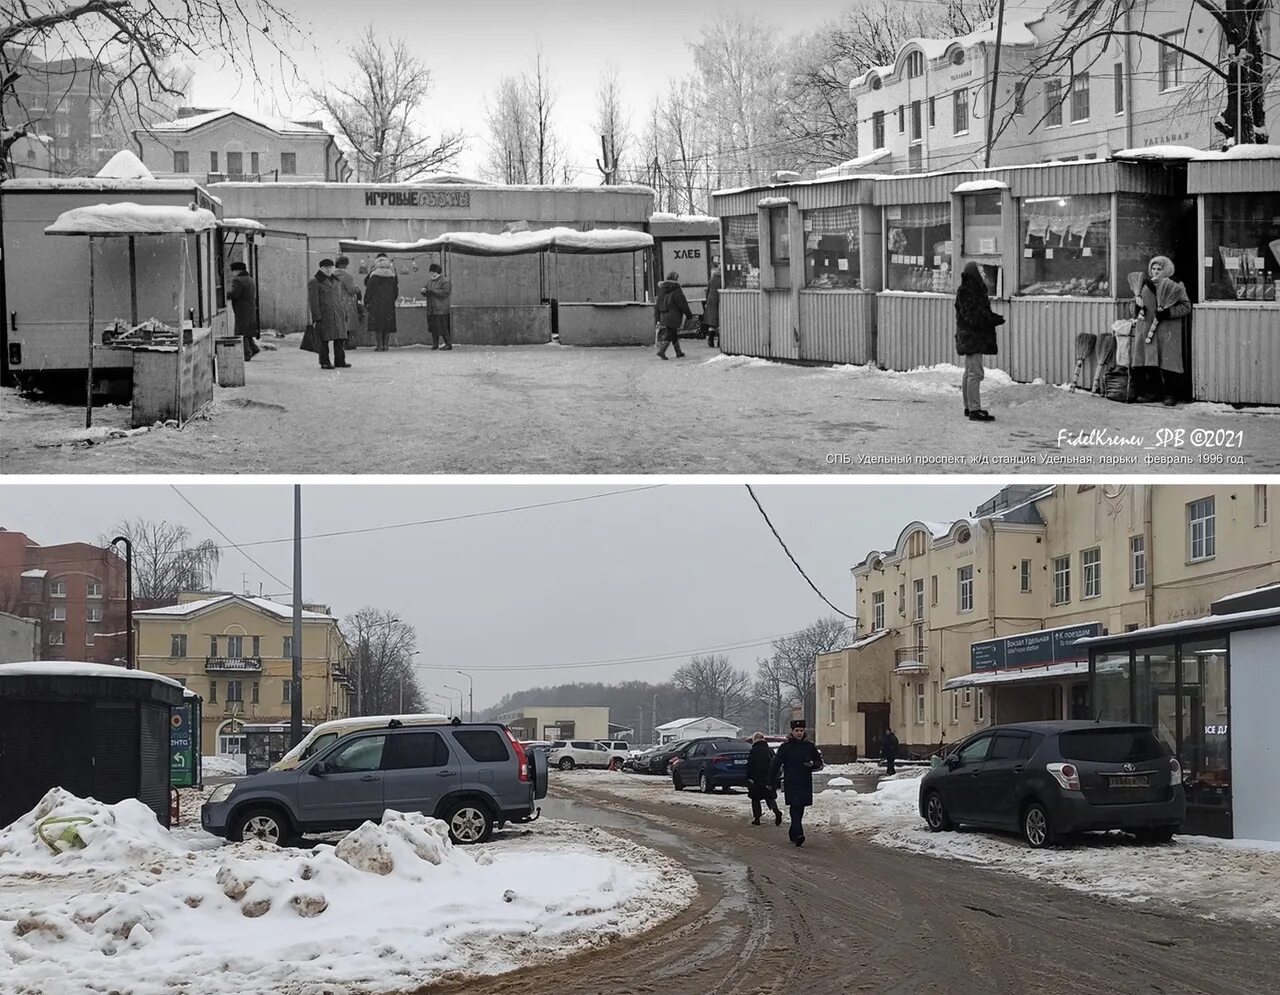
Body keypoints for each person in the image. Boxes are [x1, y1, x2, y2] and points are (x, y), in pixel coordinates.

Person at [1130, 255, 1192, 406]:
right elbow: (1133, 306)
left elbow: (1186, 306)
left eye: (1159, 269)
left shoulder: (1175, 285)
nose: (1155, 272)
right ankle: (1152, 392)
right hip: (1147, 328)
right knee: (1149, 361)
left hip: (1167, 330)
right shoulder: (1144, 284)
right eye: (1153, 268)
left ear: (1166, 270)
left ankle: (1170, 394)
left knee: (1168, 363)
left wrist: (1168, 313)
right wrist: (1137, 308)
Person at [954, 261, 1004, 422]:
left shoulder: (969, 290)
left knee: (970, 372)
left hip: (970, 337)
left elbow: (974, 314)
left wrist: (990, 318)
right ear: (974, 273)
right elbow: (974, 317)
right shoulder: (970, 291)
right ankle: (974, 409)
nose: (983, 274)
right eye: (980, 271)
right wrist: (992, 319)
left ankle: (969, 407)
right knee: (976, 373)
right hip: (973, 338)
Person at [769, 718, 824, 847]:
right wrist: (770, 780)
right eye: (797, 730)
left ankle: (793, 833)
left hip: (805, 782)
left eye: (801, 730)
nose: (799, 733)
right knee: (795, 806)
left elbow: (819, 762)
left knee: (800, 808)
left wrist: (812, 764)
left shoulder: (809, 746)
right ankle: (799, 834)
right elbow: (776, 764)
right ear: (792, 731)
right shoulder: (786, 747)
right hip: (791, 782)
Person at [307, 258, 348, 370]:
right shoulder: (315, 281)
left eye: (330, 267)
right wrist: (317, 317)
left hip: (338, 314)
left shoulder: (336, 280)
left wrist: (344, 312)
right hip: (325, 315)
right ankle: (325, 362)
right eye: (326, 268)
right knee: (323, 340)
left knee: (340, 338)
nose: (329, 270)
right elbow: (313, 301)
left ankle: (340, 361)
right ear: (321, 268)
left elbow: (339, 298)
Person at [363, 253, 399, 352]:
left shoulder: (374, 275)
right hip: (389, 303)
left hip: (376, 303)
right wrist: (391, 299)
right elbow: (396, 290)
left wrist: (366, 301)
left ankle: (379, 346)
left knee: (378, 324)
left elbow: (368, 288)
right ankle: (386, 345)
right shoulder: (392, 274)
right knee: (387, 323)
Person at [746, 732, 782, 827]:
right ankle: (776, 811)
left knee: (755, 799)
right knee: (769, 797)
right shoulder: (769, 750)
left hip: (756, 778)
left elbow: (750, 765)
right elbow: (774, 764)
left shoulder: (753, 751)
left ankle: (757, 818)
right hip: (768, 778)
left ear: (754, 740)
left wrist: (749, 776)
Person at [654, 270, 691, 359]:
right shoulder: (676, 289)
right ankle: (662, 351)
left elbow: (657, 304)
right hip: (673, 315)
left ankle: (678, 352)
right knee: (671, 332)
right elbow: (682, 303)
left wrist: (658, 317)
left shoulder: (661, 289)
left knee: (673, 332)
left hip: (664, 314)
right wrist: (689, 314)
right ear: (675, 279)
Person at [227, 261, 259, 361]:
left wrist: (225, 294)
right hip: (250, 310)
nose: (232, 273)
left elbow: (235, 294)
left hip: (242, 310)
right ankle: (254, 348)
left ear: (237, 270)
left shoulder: (238, 280)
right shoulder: (249, 279)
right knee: (247, 332)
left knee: (241, 333)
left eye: (233, 271)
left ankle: (247, 353)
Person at [421, 262, 453, 350]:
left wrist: (433, 291)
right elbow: (426, 289)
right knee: (433, 328)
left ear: (436, 272)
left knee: (443, 327)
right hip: (432, 308)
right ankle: (435, 344)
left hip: (441, 309)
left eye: (432, 272)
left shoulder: (445, 281)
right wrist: (424, 291)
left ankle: (448, 344)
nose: (431, 274)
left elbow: (445, 293)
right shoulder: (430, 281)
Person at [334, 256, 362, 349]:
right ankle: (348, 344)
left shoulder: (332, 275)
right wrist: (357, 289)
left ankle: (340, 343)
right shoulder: (347, 276)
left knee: (339, 323)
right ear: (344, 265)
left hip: (336, 301)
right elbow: (350, 289)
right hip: (347, 301)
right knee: (349, 323)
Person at [702, 267, 722, 348]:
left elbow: (707, 291)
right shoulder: (723, 279)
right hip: (719, 301)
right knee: (720, 322)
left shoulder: (712, 278)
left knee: (712, 322)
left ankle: (710, 340)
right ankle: (720, 342)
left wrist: (707, 301)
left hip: (711, 301)